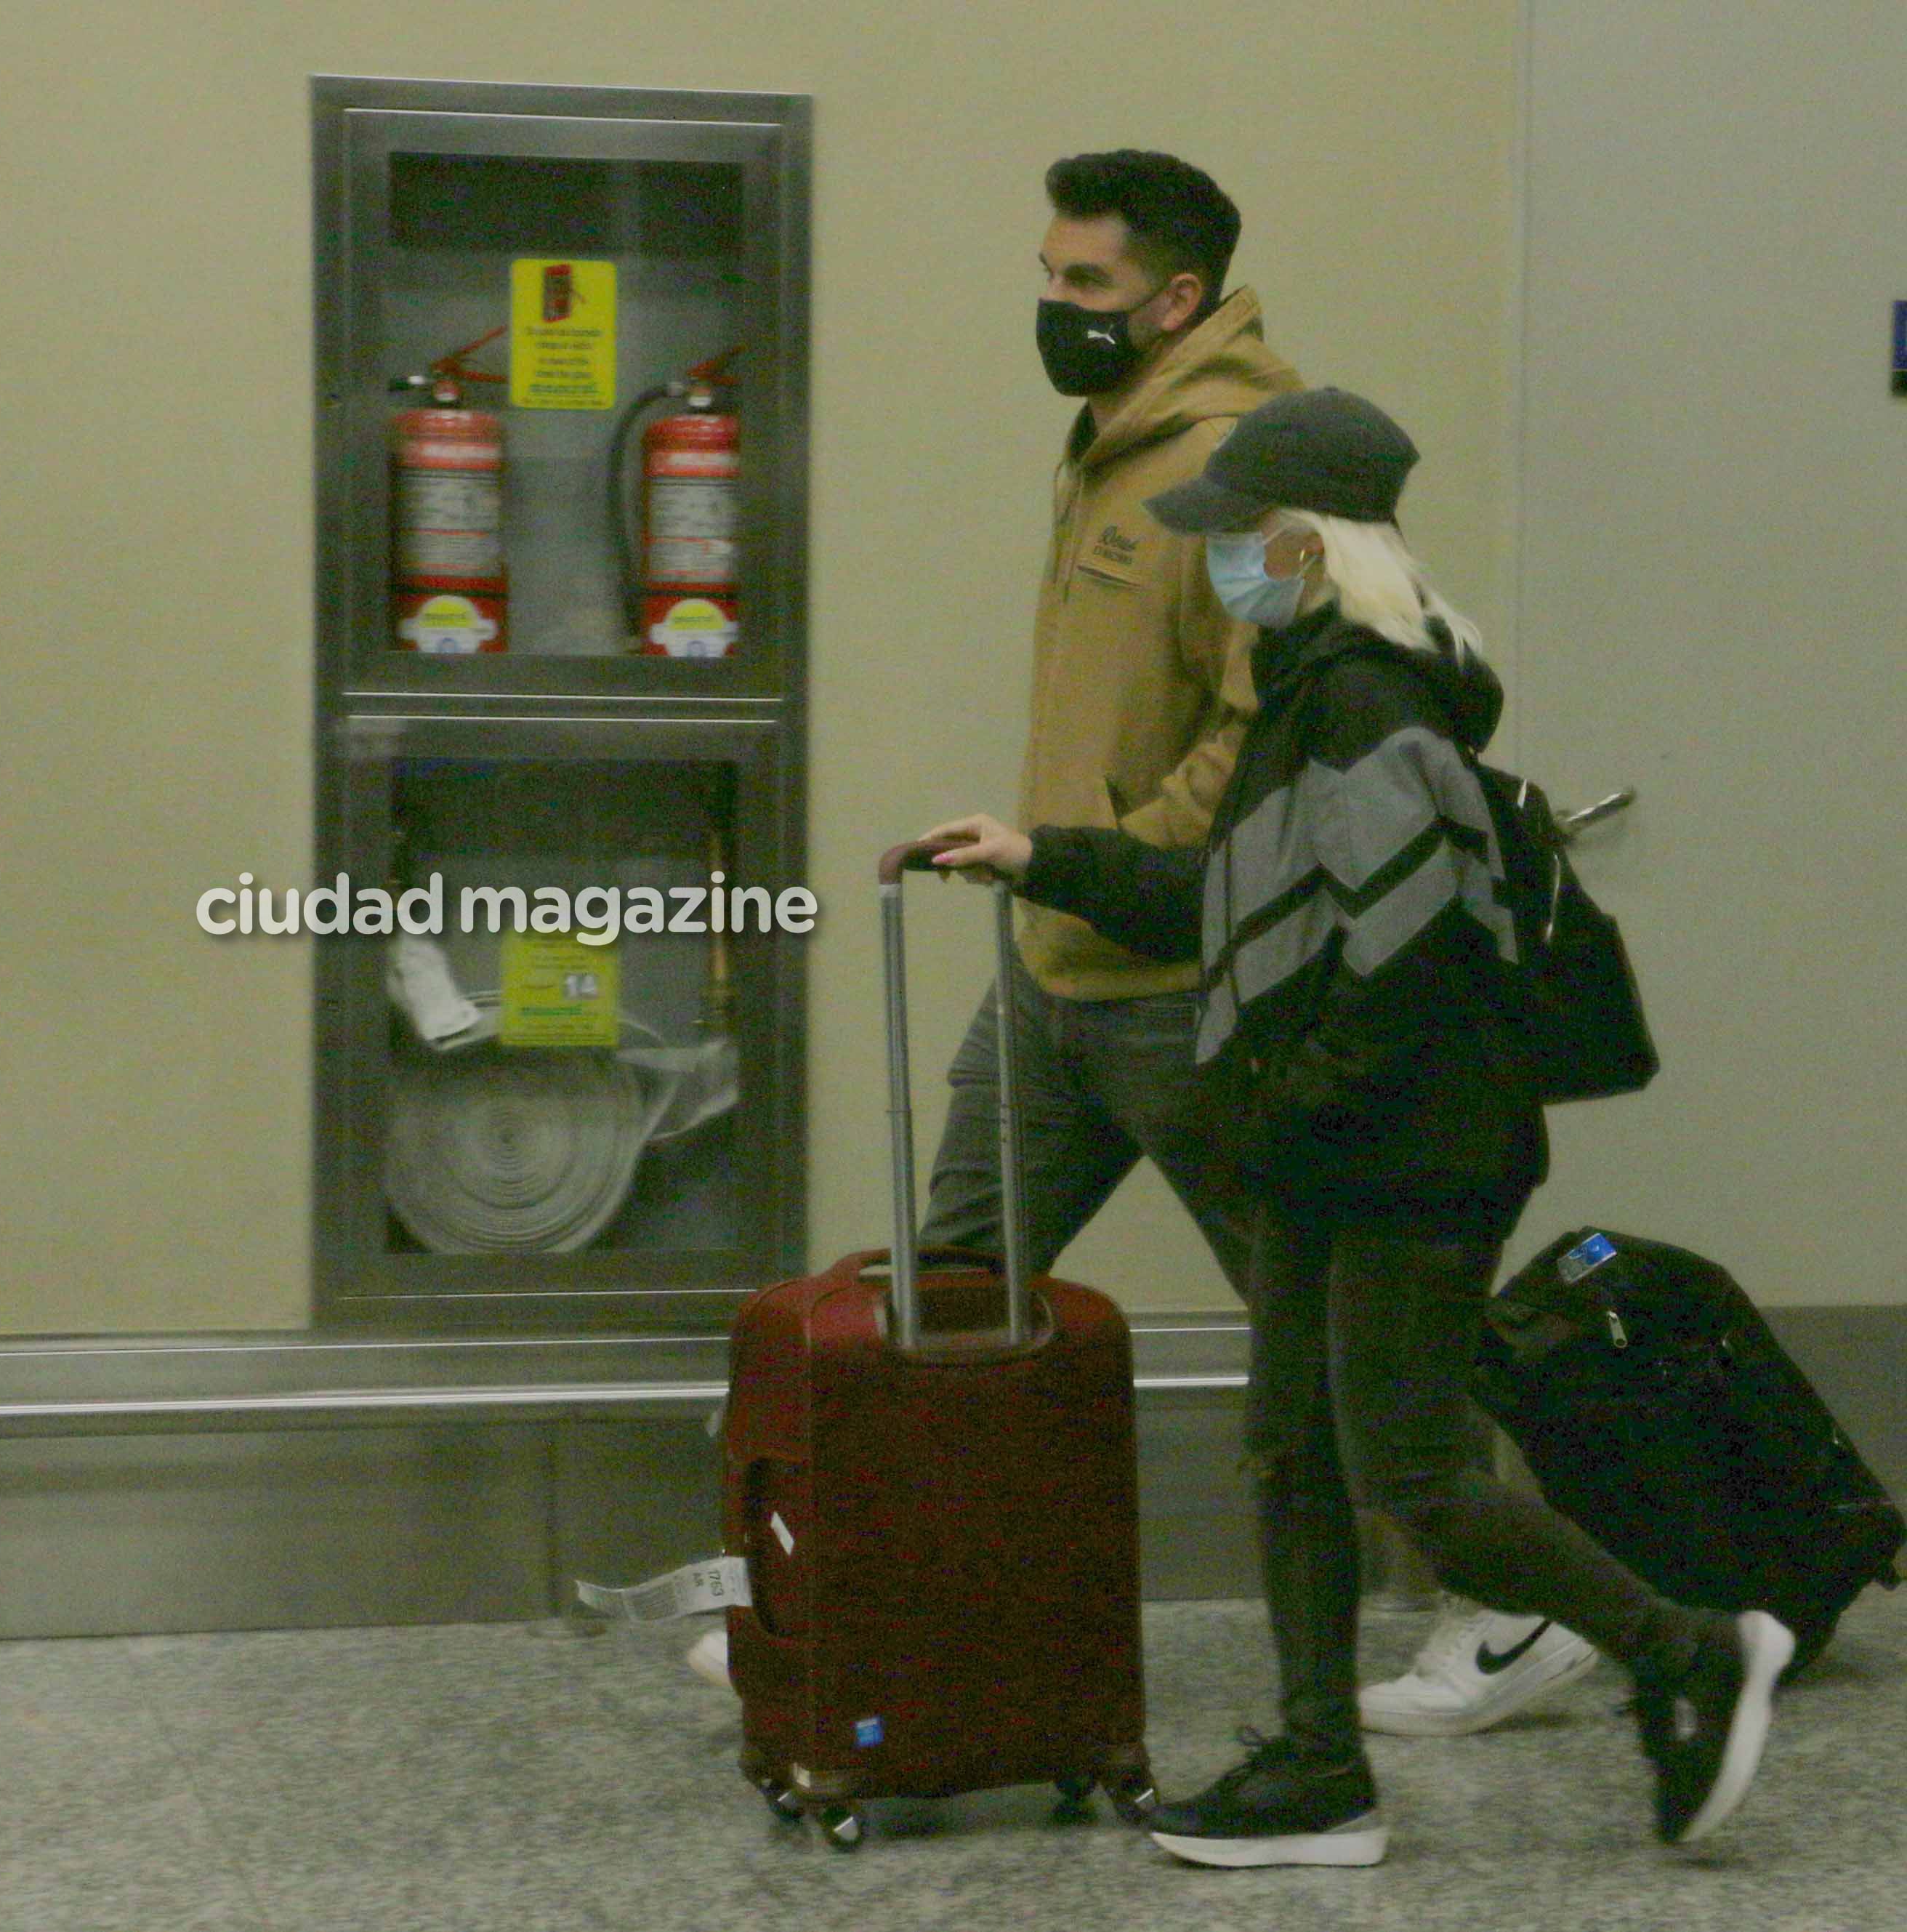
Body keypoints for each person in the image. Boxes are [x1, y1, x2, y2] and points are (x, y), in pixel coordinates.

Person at [693, 148, 1595, 1739]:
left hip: (1190, 990)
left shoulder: (1253, 471)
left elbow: (1255, 748)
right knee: (947, 1287)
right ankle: (839, 1586)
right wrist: (1061, 875)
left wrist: (1117, 867)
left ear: (1176, 298)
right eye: (1048, 277)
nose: (1054, 307)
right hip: (1057, 972)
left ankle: (1520, 1610)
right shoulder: (1112, 447)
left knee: (1343, 1349)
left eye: (1086, 285)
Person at [923, 387, 1794, 1869]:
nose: (1219, 565)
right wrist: (1045, 860)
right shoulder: (1313, 688)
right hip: (1339, 1153)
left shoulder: (1369, 708)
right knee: (1288, 1458)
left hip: (1408, 1164)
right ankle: (1321, 1771)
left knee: (1413, 1480)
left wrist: (1285, 1111)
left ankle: (1690, 1650)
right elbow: (1233, 899)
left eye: (1238, 538)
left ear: (1309, 546)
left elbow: (1408, 979)